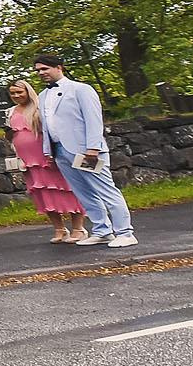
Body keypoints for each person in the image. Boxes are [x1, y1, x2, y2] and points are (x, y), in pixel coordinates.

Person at [36, 53, 136, 247]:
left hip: (84, 150)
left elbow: (93, 119)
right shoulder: (43, 96)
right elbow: (47, 126)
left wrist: (93, 147)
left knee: (106, 190)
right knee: (83, 193)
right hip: (60, 151)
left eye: (45, 68)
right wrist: (48, 151)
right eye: (38, 70)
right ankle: (102, 230)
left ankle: (125, 232)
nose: (41, 73)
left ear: (59, 67)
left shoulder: (80, 89)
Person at [7, 80, 87, 242]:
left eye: (19, 92)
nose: (16, 96)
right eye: (13, 93)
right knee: (43, 193)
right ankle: (59, 229)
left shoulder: (39, 108)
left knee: (67, 189)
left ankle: (78, 228)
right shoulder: (10, 112)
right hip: (28, 161)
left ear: (28, 91)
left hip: (47, 156)